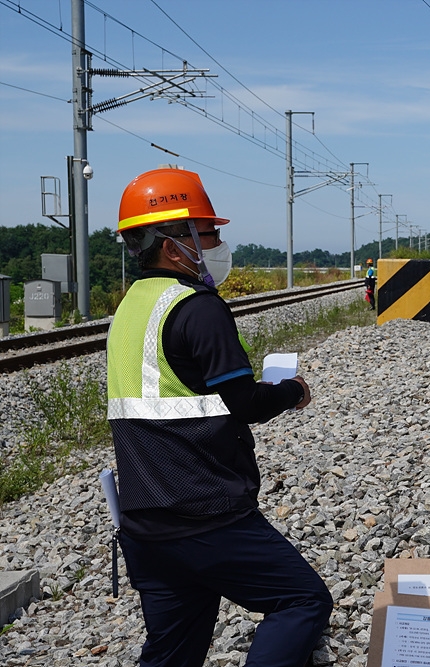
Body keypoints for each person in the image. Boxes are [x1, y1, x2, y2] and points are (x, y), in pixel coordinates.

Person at [106, 168, 333, 667]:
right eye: (207, 232)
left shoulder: (130, 308)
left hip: (146, 519)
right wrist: (293, 390)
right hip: (205, 512)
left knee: (172, 651)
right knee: (301, 601)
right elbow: (245, 404)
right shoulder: (198, 307)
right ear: (172, 243)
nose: (217, 242)